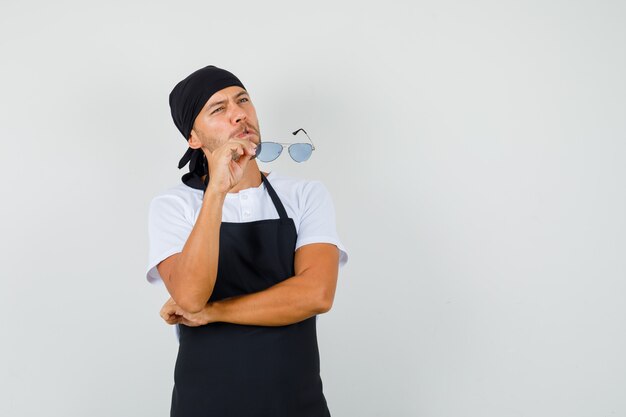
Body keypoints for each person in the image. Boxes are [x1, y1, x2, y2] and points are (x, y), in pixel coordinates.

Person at [145, 65, 348, 417]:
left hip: (296, 405)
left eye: (243, 100)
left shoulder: (304, 195)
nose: (238, 113)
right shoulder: (173, 206)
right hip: (205, 405)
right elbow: (191, 296)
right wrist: (216, 193)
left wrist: (214, 312)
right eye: (218, 109)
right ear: (193, 138)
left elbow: (316, 294)